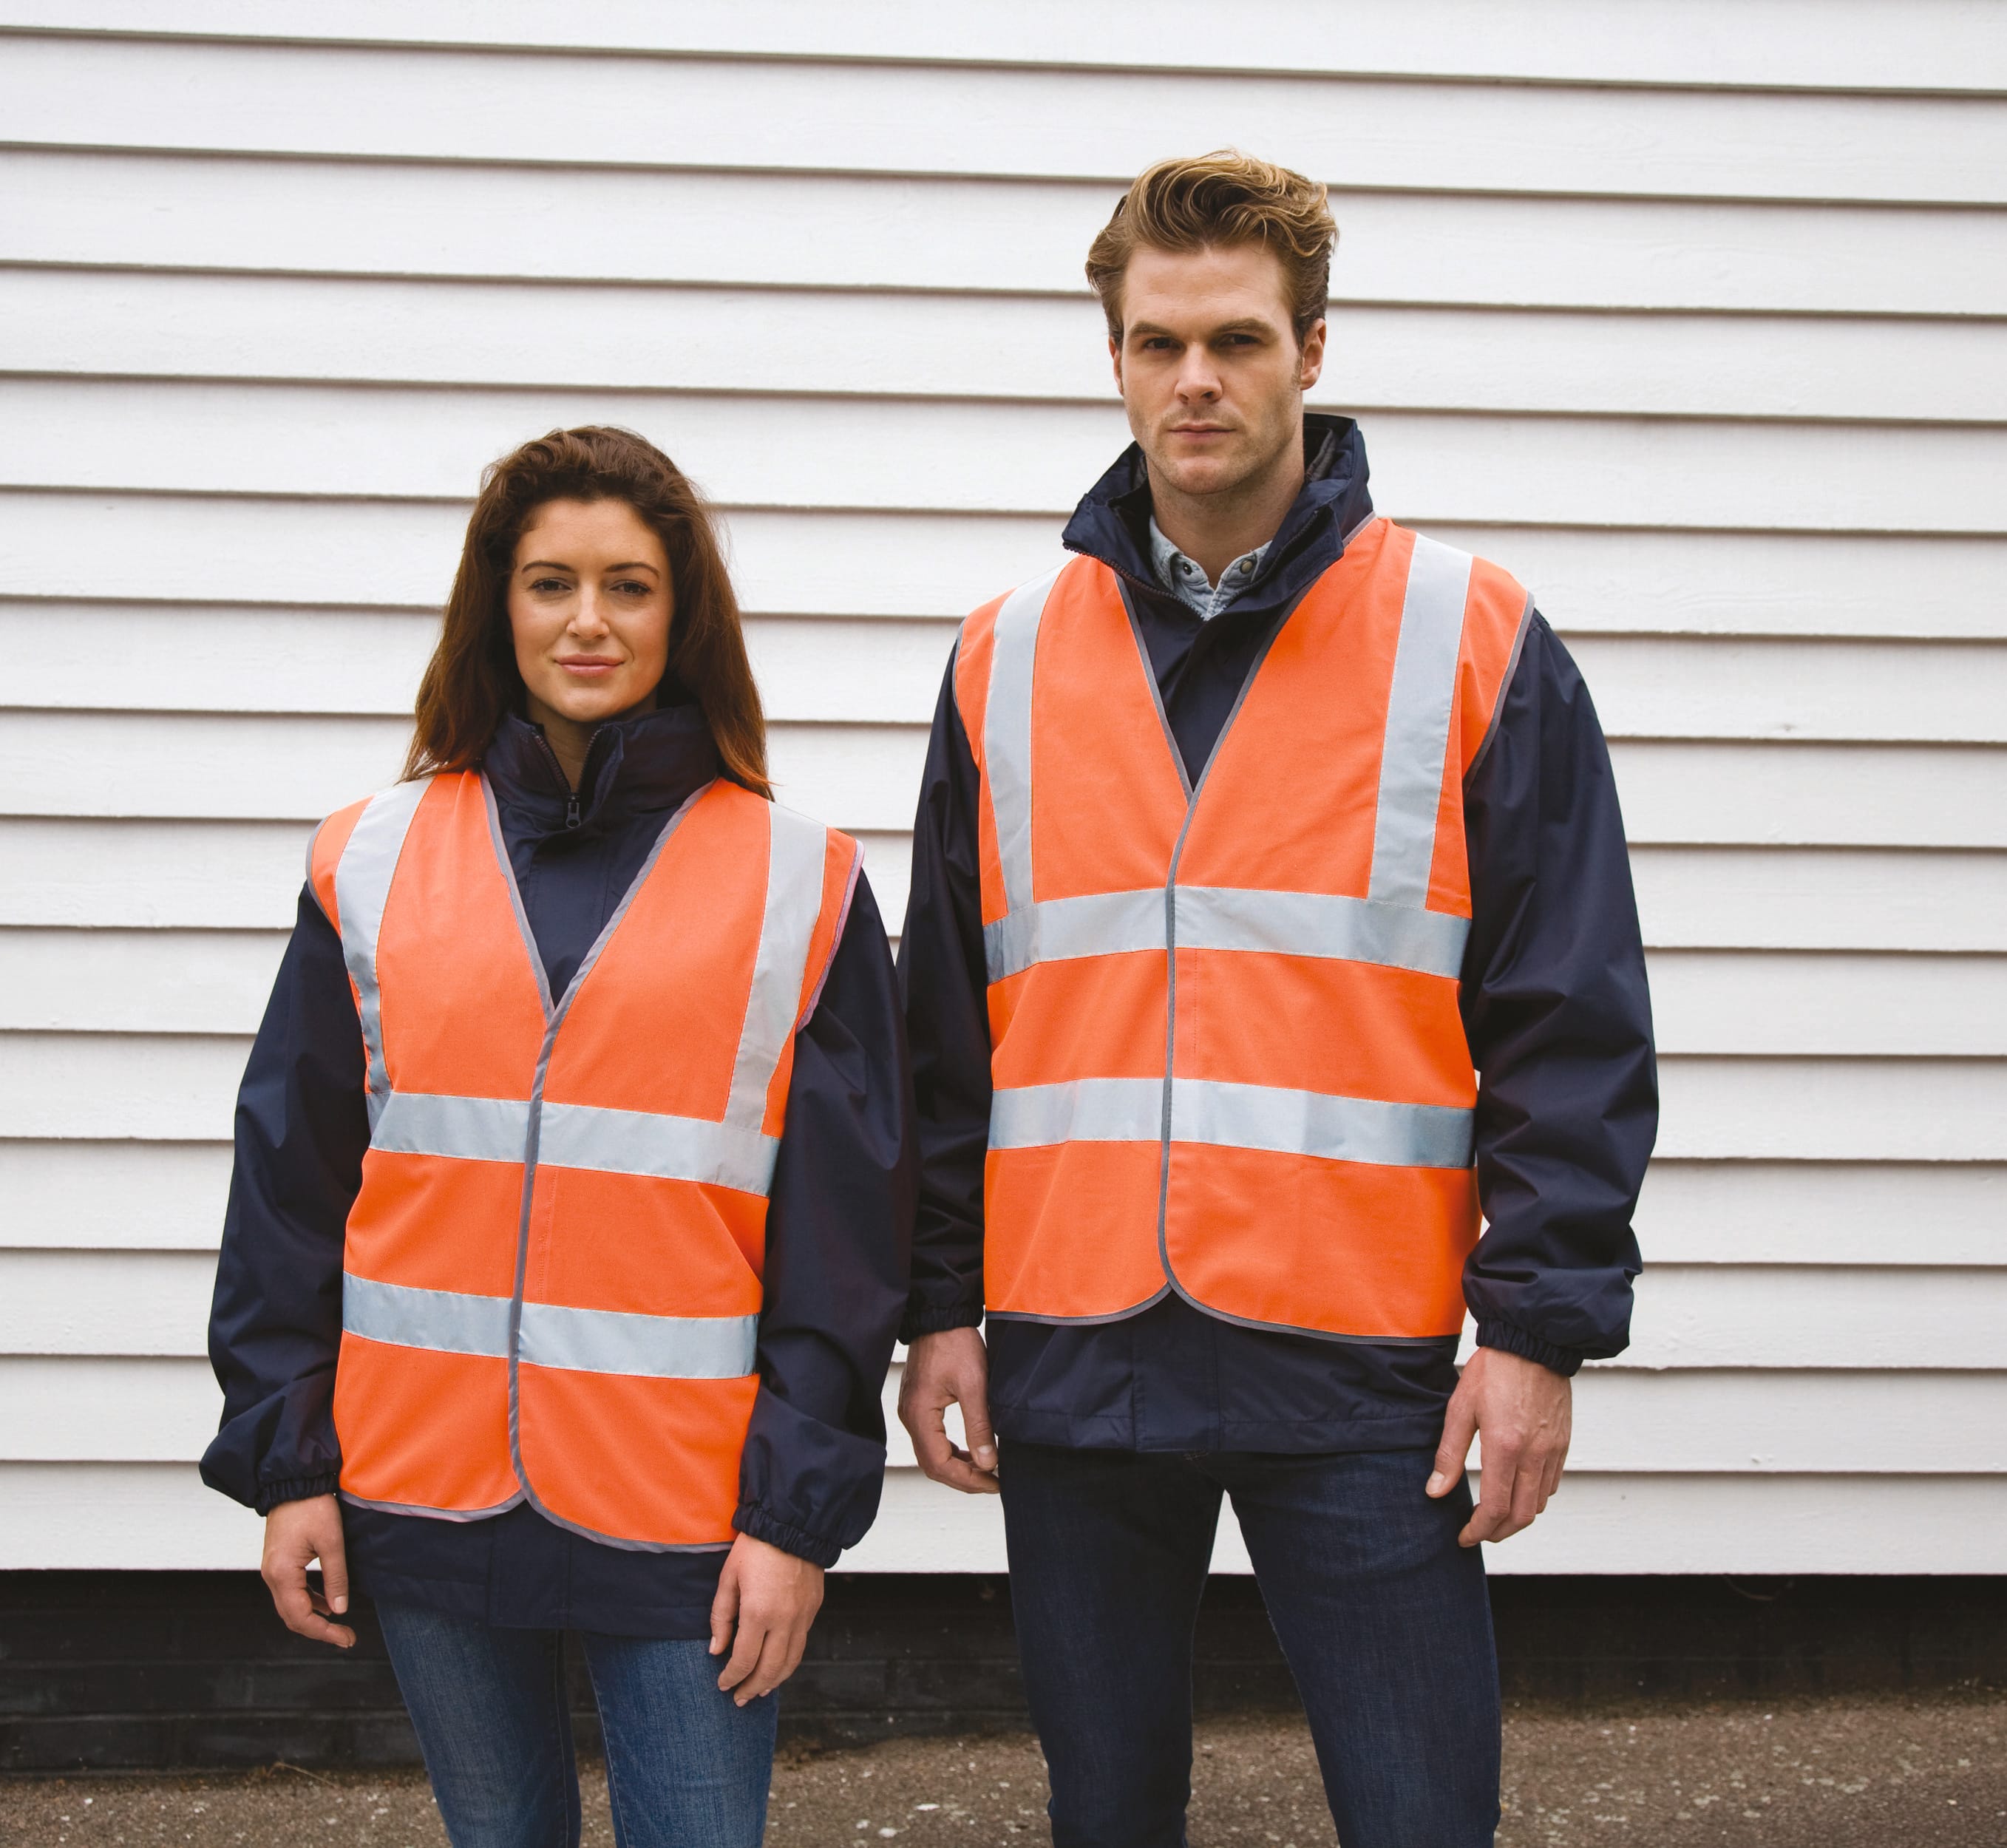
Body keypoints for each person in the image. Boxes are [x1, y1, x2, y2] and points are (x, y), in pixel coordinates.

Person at [896, 152, 1658, 1847]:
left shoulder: (1469, 634)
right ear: (1110, 356)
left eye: (1235, 338)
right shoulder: (1001, 655)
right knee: (1104, 1813)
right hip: (1073, 1342)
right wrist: (934, 1295)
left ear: (1311, 349)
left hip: (1358, 1351)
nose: (1194, 379)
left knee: (1414, 1810)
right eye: (1157, 341)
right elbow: (941, 1023)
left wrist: (1533, 1328)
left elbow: (1569, 1012)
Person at [203, 426, 914, 1848]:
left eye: (631, 586)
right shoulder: (370, 858)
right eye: (550, 583)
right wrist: (290, 1469)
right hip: (418, 1484)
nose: (588, 620)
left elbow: (847, 1243)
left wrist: (793, 1521)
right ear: (499, 606)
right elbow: (290, 1187)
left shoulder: (803, 883)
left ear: (682, 614)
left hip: (689, 1514)